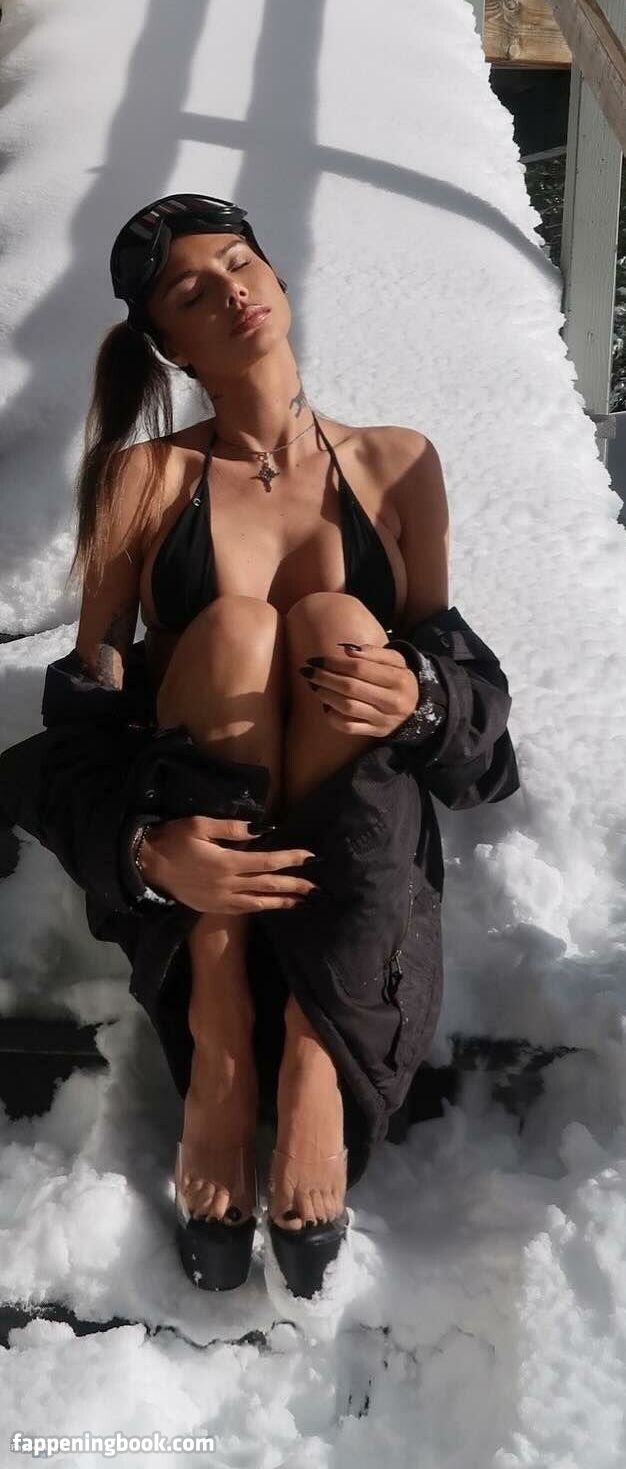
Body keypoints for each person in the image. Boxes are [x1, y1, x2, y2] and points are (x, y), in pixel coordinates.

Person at [0, 194, 521, 1300]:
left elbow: (470, 717)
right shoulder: (146, 482)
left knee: (336, 622)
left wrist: (420, 696)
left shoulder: (397, 465)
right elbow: (81, 730)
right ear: (169, 346)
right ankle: (225, 1032)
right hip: (206, 865)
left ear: (278, 279)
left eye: (242, 262)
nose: (232, 290)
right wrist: (147, 851)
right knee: (237, 628)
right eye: (193, 291)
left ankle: (316, 1058)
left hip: (355, 851)